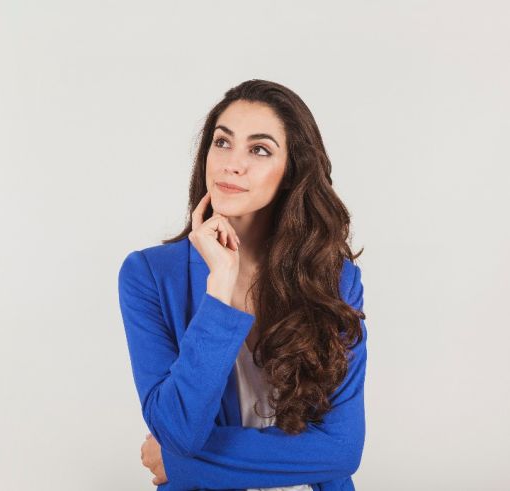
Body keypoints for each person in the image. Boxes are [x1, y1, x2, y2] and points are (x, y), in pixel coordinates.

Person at [117, 79, 368, 491]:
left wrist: (183, 466)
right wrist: (220, 291)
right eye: (222, 142)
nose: (232, 164)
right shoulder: (148, 276)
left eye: (259, 149)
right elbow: (180, 430)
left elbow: (342, 451)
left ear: (291, 172)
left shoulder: (335, 279)